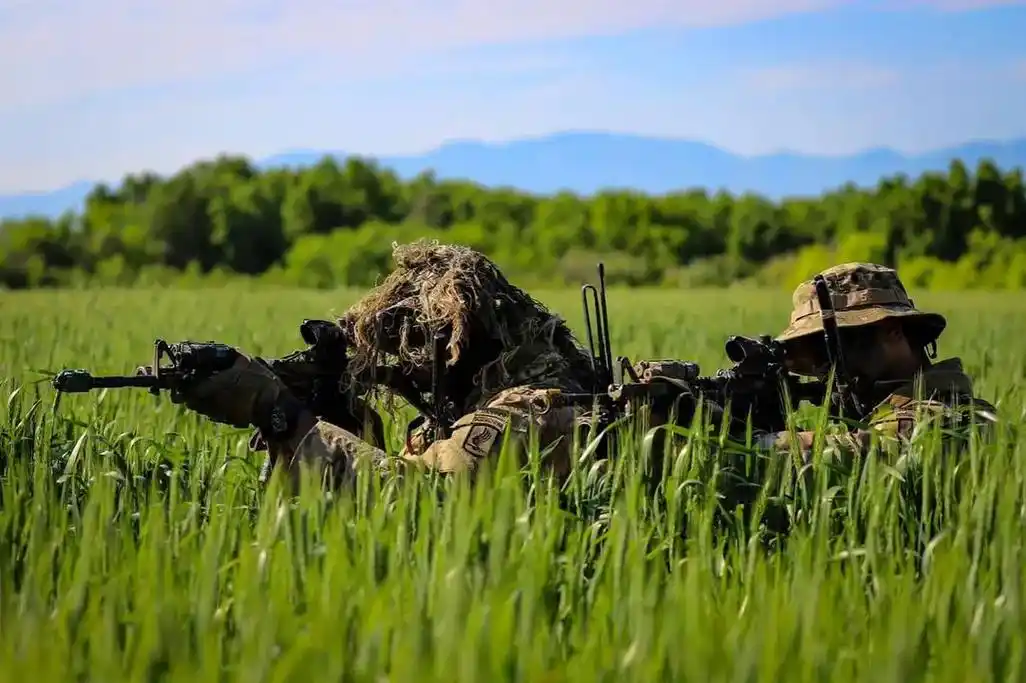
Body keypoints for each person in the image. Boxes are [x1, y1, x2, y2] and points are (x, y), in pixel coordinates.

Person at [165, 240, 602, 490]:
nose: (408, 369)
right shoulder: (460, 408)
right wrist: (347, 423)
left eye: (416, 347)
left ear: (461, 341)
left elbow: (416, 495)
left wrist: (281, 414)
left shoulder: (528, 411)